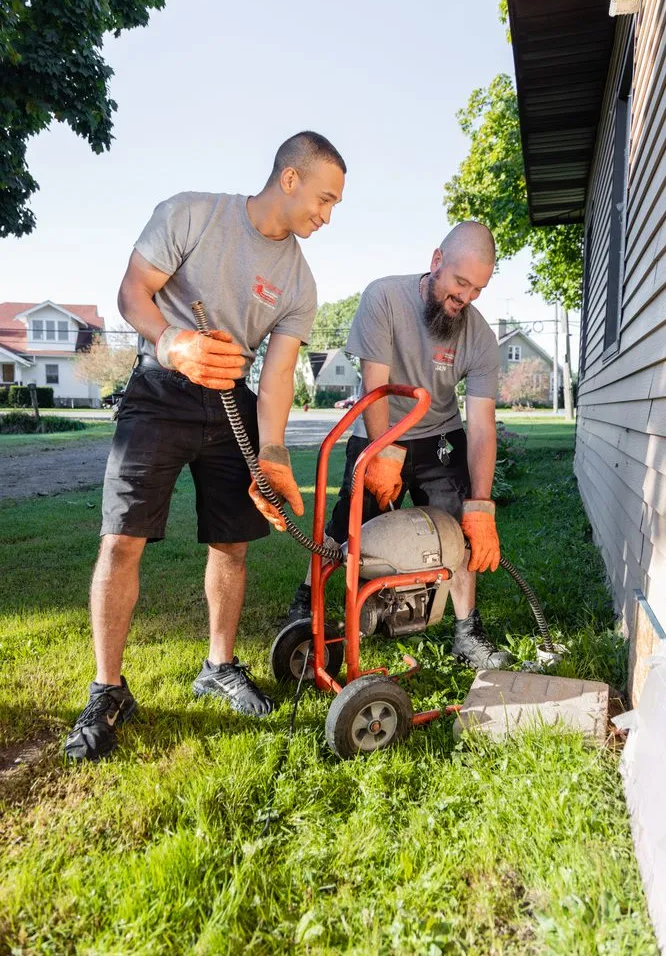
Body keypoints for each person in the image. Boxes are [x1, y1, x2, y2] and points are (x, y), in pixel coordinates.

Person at [65, 131, 346, 762]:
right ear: (291, 178)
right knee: (121, 539)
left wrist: (272, 451)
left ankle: (219, 666)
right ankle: (107, 690)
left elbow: (278, 372)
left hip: (231, 404)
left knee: (233, 542)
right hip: (158, 390)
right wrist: (173, 342)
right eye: (324, 199)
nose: (327, 217)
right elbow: (132, 291)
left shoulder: (298, 282)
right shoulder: (192, 214)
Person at [287, 220, 511, 670]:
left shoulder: (481, 337)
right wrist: (383, 452)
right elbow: (375, 386)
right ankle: (306, 603)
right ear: (436, 261)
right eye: (460, 283)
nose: (466, 297)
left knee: (459, 531)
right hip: (379, 428)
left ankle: (467, 634)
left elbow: (482, 425)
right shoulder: (384, 297)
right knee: (347, 526)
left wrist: (481, 506)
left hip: (439, 437)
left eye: (477, 289)